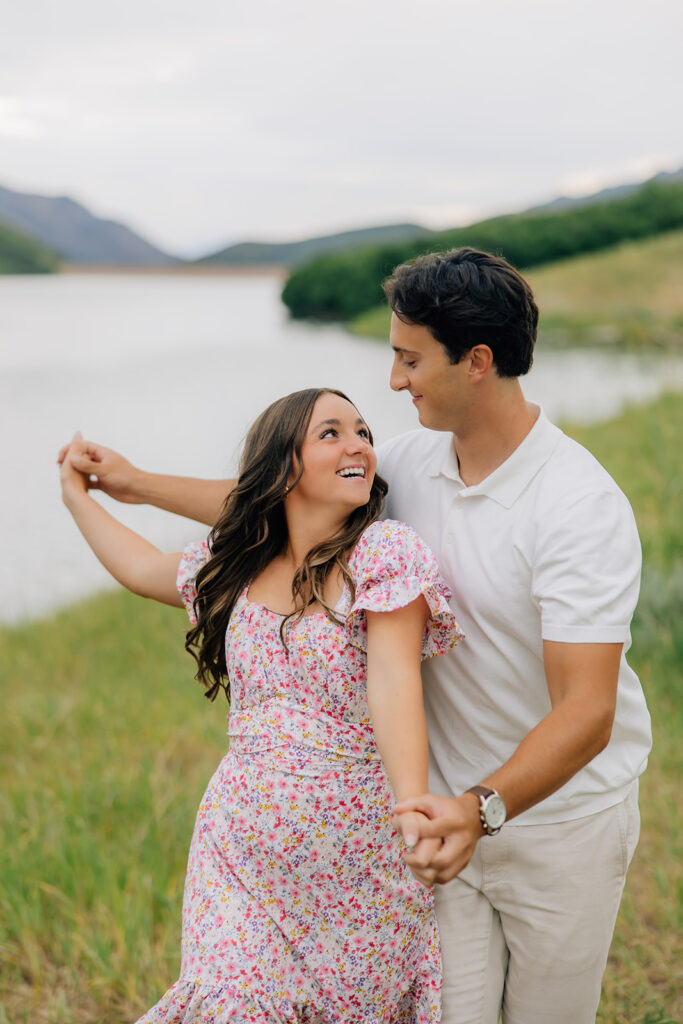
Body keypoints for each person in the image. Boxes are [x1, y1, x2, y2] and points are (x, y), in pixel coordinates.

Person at [60, 248, 652, 1024]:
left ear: (476, 362)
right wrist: (133, 485)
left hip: (555, 822)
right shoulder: (404, 463)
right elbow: (274, 503)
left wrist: (479, 809)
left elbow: (586, 713)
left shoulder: (576, 505)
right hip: (430, 821)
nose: (395, 380)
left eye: (408, 359)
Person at [59, 387, 462, 1023]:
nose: (358, 443)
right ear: (283, 469)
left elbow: (394, 684)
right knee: (232, 1003)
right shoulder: (239, 565)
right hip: (237, 857)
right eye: (331, 433)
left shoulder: (385, 556)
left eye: (362, 431)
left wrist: (414, 805)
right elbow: (139, 569)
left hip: (359, 877)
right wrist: (79, 498)